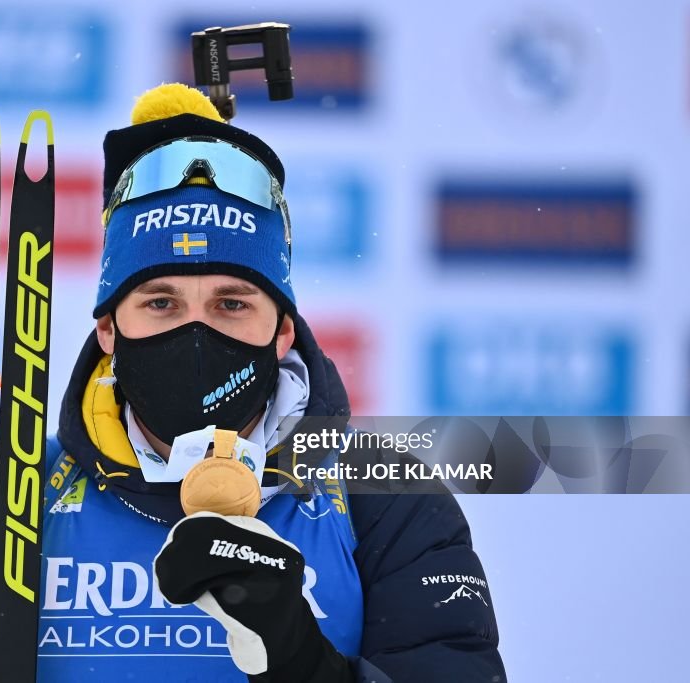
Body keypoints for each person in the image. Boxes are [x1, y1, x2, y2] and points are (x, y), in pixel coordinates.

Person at [39, 83, 507, 682]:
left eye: (232, 304)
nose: (196, 333)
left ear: (283, 331)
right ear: (108, 330)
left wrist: (301, 661)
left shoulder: (383, 493)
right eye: (161, 303)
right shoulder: (14, 493)